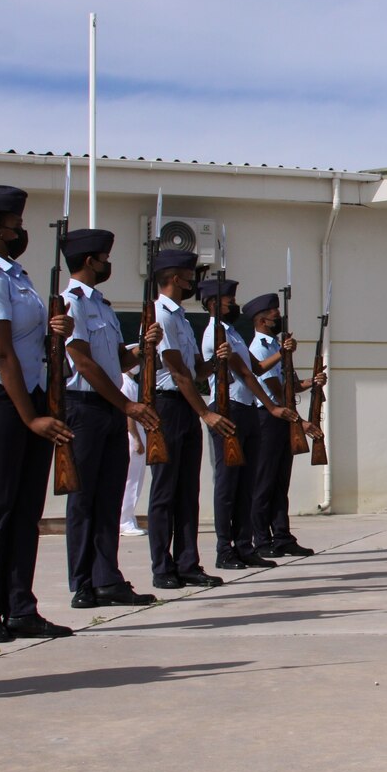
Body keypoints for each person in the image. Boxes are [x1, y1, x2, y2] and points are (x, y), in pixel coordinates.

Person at [0, 184, 76, 642]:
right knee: (0, 507)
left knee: (27, 509)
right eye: (16, 225)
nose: (22, 231)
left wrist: (53, 330)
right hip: (0, 400)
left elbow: (28, 345)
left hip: (30, 396)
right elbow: (3, 354)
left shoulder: (17, 276)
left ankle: (21, 607)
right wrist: (31, 417)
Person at [59, 228, 162, 609]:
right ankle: (83, 582)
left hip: (106, 408)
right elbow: (83, 362)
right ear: (90, 261)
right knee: (83, 499)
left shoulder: (101, 304)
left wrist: (144, 348)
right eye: (104, 258)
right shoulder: (73, 303)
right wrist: (126, 405)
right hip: (84, 407)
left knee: (107, 497)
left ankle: (107, 578)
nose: (108, 264)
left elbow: (118, 361)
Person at [200, 278, 300, 571]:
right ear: (214, 303)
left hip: (244, 409)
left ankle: (244, 546)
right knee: (228, 483)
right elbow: (244, 374)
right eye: (230, 300)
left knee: (245, 483)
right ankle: (224, 548)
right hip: (228, 408)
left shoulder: (234, 333)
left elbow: (254, 368)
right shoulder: (215, 334)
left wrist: (282, 353)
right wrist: (271, 406)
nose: (235, 305)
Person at [148, 249, 228, 590]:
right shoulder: (160, 315)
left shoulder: (180, 317)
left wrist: (215, 364)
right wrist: (206, 412)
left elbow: (195, 371)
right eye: (188, 275)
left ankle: (187, 562)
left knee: (186, 490)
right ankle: (162, 565)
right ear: (173, 278)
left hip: (185, 405)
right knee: (165, 490)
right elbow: (178, 373)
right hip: (168, 405)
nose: (193, 281)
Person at [245, 292, 324, 557]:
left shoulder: (277, 347)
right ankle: (261, 539)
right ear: (261, 320)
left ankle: (281, 535)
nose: (277, 318)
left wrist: (312, 382)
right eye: (273, 315)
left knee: (280, 482)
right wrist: (300, 421)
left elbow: (291, 385)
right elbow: (273, 389)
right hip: (269, 418)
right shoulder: (260, 348)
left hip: (283, 418)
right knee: (264, 482)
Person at [118, 352, 147, 536]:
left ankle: (129, 518)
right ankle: (124, 521)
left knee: (136, 479)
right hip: (132, 435)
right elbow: (128, 413)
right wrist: (135, 438)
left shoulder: (132, 383)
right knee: (131, 480)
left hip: (137, 433)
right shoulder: (125, 383)